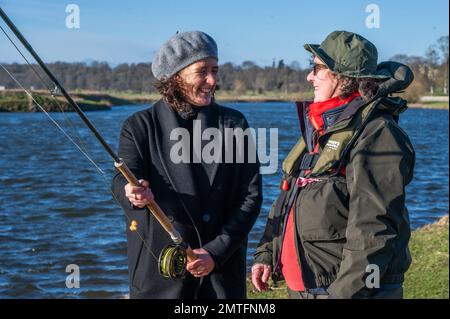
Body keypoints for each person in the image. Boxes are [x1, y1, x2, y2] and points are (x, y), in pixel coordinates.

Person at [252, 30, 415, 299]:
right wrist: (266, 254)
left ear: (343, 77)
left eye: (317, 68)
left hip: (344, 291)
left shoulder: (377, 133)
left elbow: (374, 227)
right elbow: (289, 195)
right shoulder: (324, 126)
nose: (309, 76)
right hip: (305, 287)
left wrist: (343, 294)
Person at [112, 31, 262, 299]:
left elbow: (250, 197)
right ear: (175, 76)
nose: (212, 80)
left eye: (215, 70)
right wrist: (131, 192)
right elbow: (121, 181)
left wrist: (216, 251)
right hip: (159, 280)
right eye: (201, 71)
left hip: (221, 279)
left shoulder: (235, 124)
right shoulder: (138, 126)